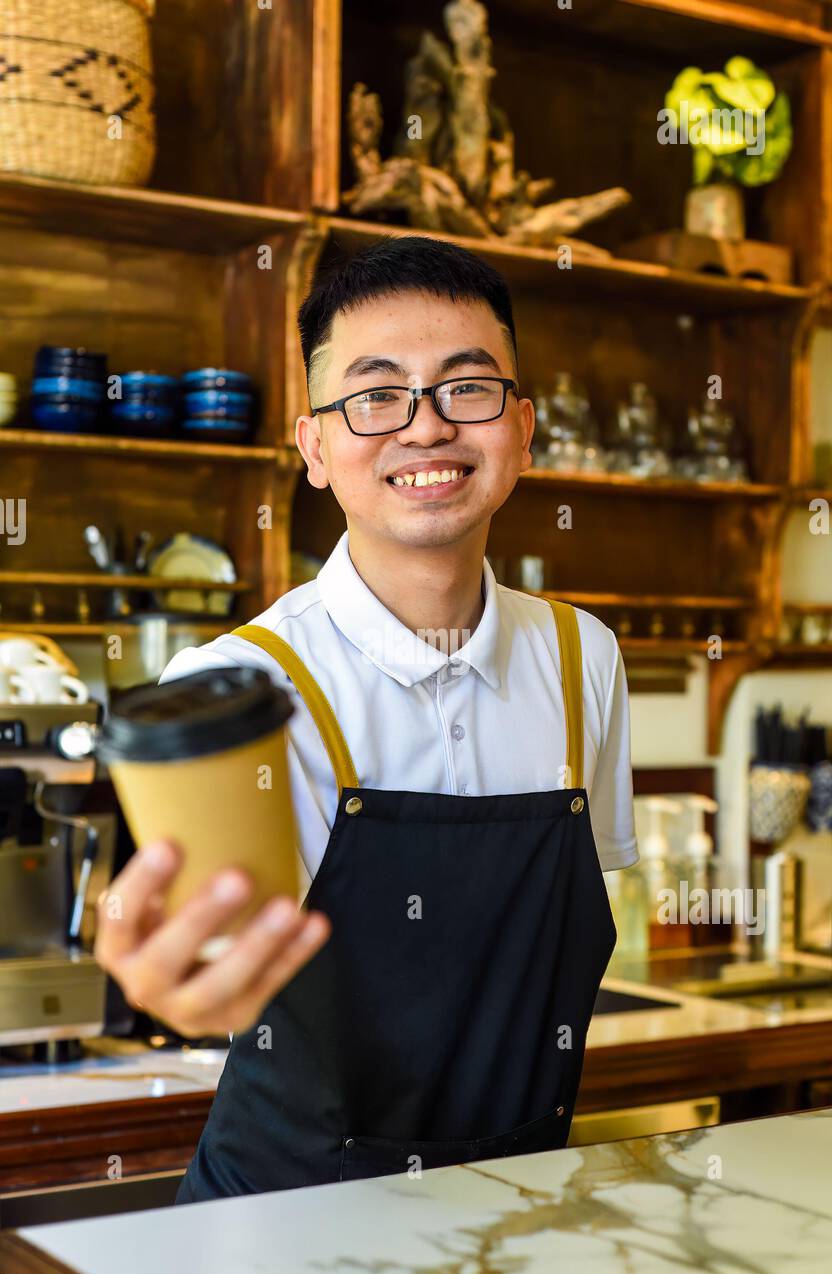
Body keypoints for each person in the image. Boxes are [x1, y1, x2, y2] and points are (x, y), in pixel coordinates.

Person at [95, 235, 639, 1202]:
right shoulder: (237, 691)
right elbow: (200, 947)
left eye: (466, 388)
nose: (425, 430)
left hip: (515, 1218)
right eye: (376, 396)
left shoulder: (582, 658)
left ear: (523, 427)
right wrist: (176, 978)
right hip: (288, 1228)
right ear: (315, 447)